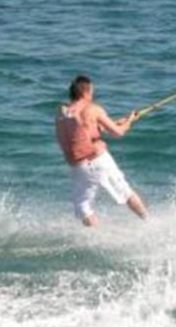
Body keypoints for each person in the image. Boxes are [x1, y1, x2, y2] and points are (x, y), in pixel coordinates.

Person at [55, 75, 148, 226]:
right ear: (85, 92)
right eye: (92, 92)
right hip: (98, 160)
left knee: (84, 207)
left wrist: (119, 121)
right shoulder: (93, 109)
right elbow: (118, 132)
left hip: (78, 166)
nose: (92, 95)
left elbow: (84, 131)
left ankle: (95, 234)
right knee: (125, 192)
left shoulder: (63, 113)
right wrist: (130, 121)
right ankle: (148, 221)